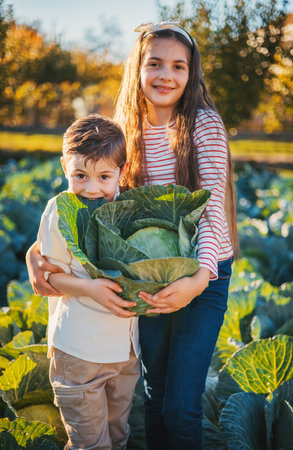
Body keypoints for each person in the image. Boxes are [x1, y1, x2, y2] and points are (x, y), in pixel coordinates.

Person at [27, 22, 239, 450]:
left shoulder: (204, 125)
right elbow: (90, 206)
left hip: (205, 271)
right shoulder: (124, 128)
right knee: (154, 391)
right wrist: (37, 250)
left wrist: (198, 278)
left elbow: (213, 210)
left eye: (179, 66)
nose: (166, 75)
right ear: (137, 69)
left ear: (191, 72)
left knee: (181, 405)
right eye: (155, 63)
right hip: (143, 272)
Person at [35, 114, 140, 450]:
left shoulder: (128, 207)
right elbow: (52, 275)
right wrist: (91, 288)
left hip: (125, 353)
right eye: (80, 175)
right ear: (65, 165)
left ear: (122, 172)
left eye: (104, 176)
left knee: (118, 435)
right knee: (91, 444)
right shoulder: (59, 209)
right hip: (78, 351)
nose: (92, 188)